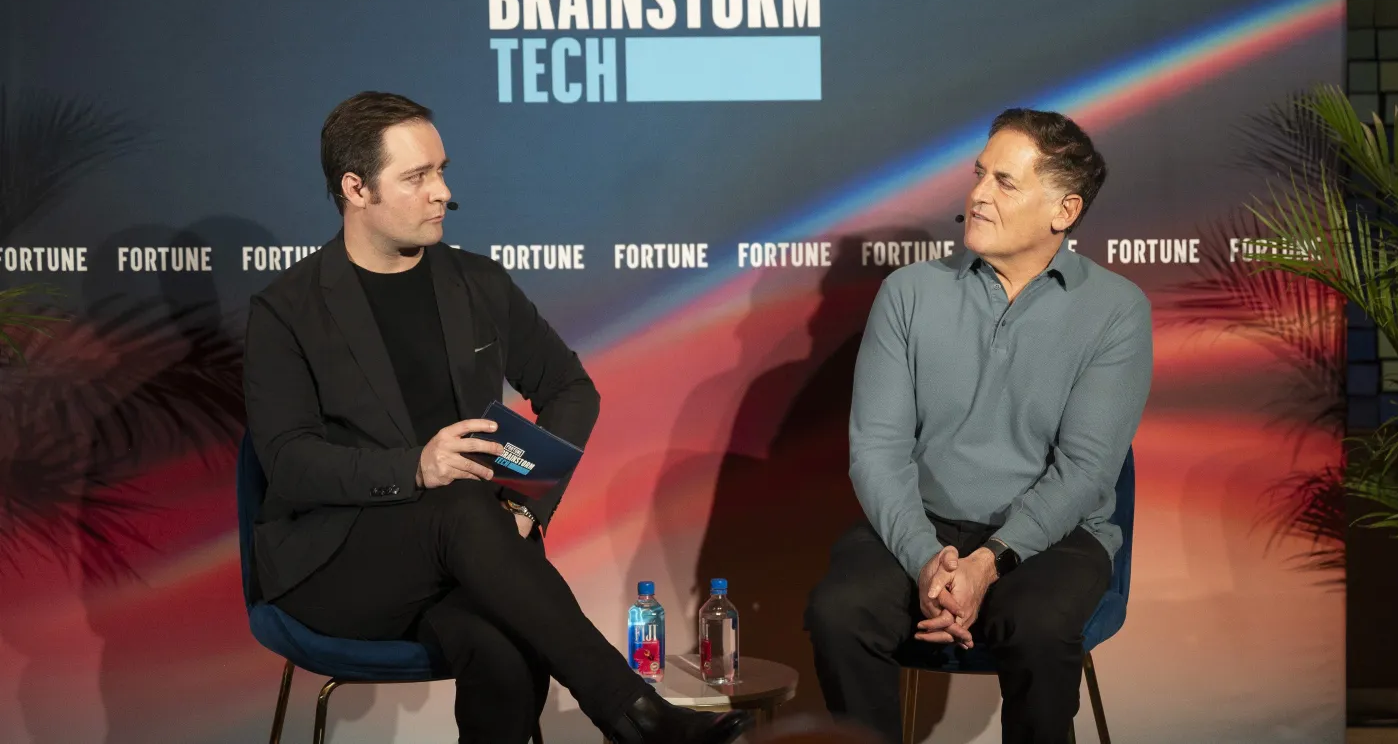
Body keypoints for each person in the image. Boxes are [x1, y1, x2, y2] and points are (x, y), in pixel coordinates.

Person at [243, 92, 751, 744]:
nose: (442, 194)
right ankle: (636, 716)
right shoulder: (287, 309)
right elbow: (287, 459)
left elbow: (571, 389)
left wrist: (525, 503)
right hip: (337, 564)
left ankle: (636, 721)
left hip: (467, 553)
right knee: (459, 505)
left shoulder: (476, 284)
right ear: (355, 188)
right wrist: (414, 467)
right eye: (416, 177)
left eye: (442, 170)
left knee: (505, 651)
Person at [805, 109, 1153, 744]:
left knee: (1040, 622)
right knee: (840, 609)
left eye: (1005, 182)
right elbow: (877, 450)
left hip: (1057, 535)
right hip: (922, 524)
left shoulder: (1117, 311)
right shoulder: (908, 293)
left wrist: (987, 563)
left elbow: (1085, 472)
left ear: (1064, 211)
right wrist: (925, 561)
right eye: (978, 174)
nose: (978, 196)